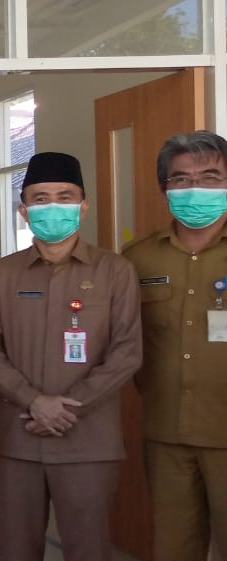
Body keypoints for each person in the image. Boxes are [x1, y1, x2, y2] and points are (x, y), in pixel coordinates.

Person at [0, 152, 141, 561]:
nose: (53, 207)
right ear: (24, 210)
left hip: (88, 444)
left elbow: (127, 351)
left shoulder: (115, 271)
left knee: (89, 550)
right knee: (15, 549)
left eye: (64, 197)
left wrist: (66, 407)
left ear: (83, 206)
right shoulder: (2, 274)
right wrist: (34, 401)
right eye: (41, 198)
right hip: (18, 442)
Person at [123, 130, 227, 561]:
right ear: (164, 188)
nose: (194, 188)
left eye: (210, 177)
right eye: (181, 179)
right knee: (174, 549)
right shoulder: (137, 258)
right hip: (166, 432)